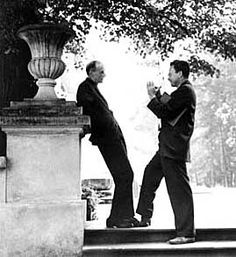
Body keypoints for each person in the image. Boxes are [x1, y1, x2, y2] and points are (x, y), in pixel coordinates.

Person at [136, 60, 196, 244]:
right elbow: (170, 104)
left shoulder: (186, 91)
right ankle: (144, 217)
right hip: (167, 148)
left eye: (171, 72)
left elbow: (166, 112)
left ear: (180, 73)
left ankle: (186, 233)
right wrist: (159, 95)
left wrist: (152, 97)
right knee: (150, 174)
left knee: (178, 190)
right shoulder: (183, 92)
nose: (168, 76)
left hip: (173, 149)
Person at [76, 60, 138, 228]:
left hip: (112, 138)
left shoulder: (92, 88)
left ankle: (125, 217)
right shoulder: (84, 89)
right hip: (107, 140)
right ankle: (119, 219)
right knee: (125, 175)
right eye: (101, 72)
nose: (104, 75)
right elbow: (93, 115)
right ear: (91, 73)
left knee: (125, 176)